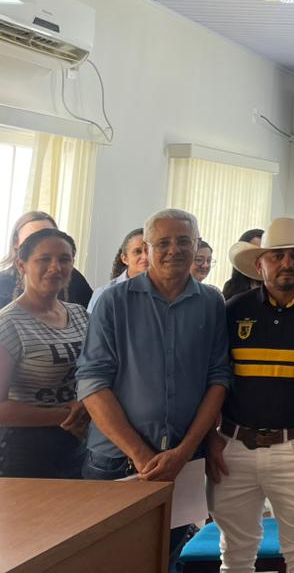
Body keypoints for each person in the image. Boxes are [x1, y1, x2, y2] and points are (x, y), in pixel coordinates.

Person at [76, 208, 231, 567]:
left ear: (197, 245)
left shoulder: (211, 303)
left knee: (162, 558)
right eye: (163, 243)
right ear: (146, 248)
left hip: (184, 461)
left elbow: (218, 378)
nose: (173, 250)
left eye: (183, 241)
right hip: (115, 462)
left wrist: (185, 451)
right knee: (107, 562)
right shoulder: (114, 301)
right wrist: (142, 456)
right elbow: (92, 381)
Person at [207, 217, 294, 573]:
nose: (287, 263)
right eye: (277, 256)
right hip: (234, 447)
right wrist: (211, 439)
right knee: (234, 554)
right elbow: (213, 380)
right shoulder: (234, 309)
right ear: (260, 264)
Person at [0, 228, 90, 477]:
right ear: (22, 265)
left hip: (77, 444)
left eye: (64, 259)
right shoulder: (8, 324)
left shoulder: (80, 315)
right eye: (44, 259)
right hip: (24, 450)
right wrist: (65, 415)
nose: (55, 267)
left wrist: (85, 407)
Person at [1, 211, 93, 310]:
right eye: (32, 238)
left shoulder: (74, 278)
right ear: (16, 242)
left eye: (49, 237)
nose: (44, 244)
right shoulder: (3, 283)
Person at [88, 227, 147, 312]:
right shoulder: (103, 293)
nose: (145, 257)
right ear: (124, 259)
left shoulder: (164, 291)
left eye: (149, 251)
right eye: (137, 252)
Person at [223, 229, 264, 299]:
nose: (258, 258)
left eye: (261, 253)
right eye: (252, 252)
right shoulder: (231, 286)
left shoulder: (274, 286)